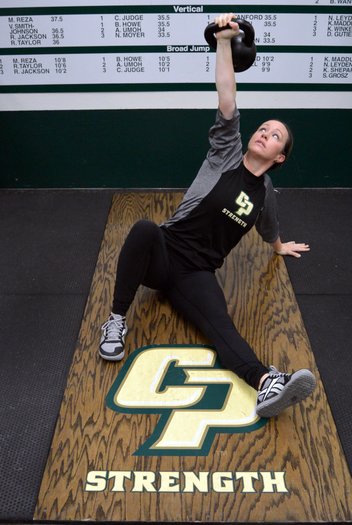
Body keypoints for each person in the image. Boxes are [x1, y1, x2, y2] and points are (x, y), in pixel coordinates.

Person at [99, 13, 316, 418]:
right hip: (164, 252)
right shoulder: (226, 151)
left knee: (221, 327)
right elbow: (227, 95)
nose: (264, 132)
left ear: (279, 156)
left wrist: (278, 245)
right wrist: (223, 40)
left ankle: (267, 383)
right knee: (145, 228)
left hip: (195, 274)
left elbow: (268, 225)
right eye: (264, 127)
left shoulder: (265, 194)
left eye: (274, 135)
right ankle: (114, 321)